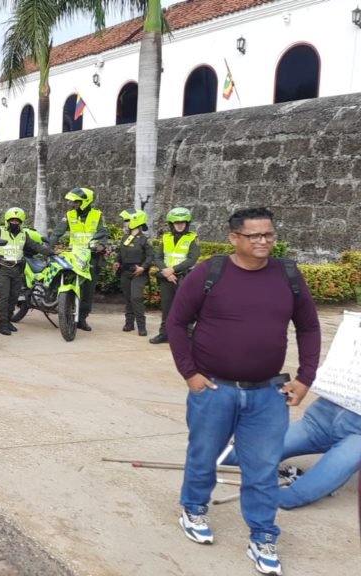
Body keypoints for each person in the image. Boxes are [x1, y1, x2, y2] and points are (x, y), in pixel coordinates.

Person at [167, 207, 321, 576]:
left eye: (269, 234)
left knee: (263, 468)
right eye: (254, 236)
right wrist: (190, 374)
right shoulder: (210, 272)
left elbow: (309, 328)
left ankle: (263, 535)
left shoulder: (287, 275)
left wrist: (305, 377)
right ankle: (194, 508)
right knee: (204, 455)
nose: (264, 242)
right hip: (214, 388)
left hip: (268, 394)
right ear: (234, 237)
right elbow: (176, 321)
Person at [223, 396, 361, 510]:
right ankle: (220, 454)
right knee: (251, 453)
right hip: (323, 416)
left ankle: (293, 495)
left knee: (340, 460)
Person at [49, 188, 107, 331]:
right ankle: (62, 309)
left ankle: (82, 319)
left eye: (77, 201)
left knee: (88, 290)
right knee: (63, 279)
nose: (74, 204)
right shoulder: (69, 215)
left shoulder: (97, 215)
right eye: (74, 201)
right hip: (74, 256)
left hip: (91, 257)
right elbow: (57, 232)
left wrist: (101, 245)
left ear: (85, 201)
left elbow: (103, 233)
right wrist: (49, 247)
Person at [0, 207, 52, 335]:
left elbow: (36, 246)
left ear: (21, 222)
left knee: (13, 298)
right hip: (3, 269)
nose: (14, 222)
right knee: (4, 297)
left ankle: (9, 321)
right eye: (12, 220)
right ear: (7, 220)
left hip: (17, 269)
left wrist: (51, 253)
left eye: (17, 221)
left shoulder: (24, 234)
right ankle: (3, 325)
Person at [150, 207, 200, 344]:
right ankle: (164, 334)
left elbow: (192, 259)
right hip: (167, 278)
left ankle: (187, 335)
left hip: (184, 277)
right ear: (171, 224)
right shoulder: (166, 237)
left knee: (185, 307)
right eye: (176, 223)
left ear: (187, 223)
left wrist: (173, 269)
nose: (179, 225)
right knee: (166, 307)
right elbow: (158, 257)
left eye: (182, 222)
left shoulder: (192, 238)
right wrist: (166, 271)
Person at [113, 209, 153, 336]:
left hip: (139, 273)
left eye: (127, 220)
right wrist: (116, 261)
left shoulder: (144, 240)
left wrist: (144, 267)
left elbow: (151, 256)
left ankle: (141, 326)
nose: (125, 223)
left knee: (136, 297)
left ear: (135, 221)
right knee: (128, 298)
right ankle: (129, 324)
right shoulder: (126, 237)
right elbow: (121, 253)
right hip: (125, 272)